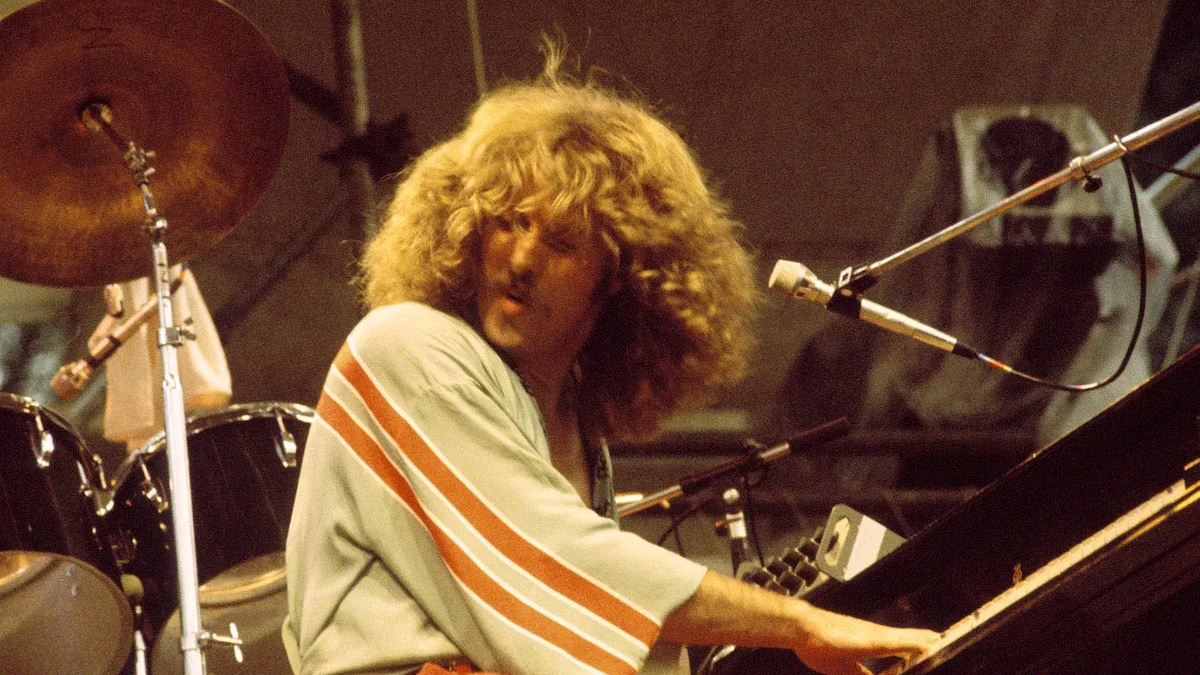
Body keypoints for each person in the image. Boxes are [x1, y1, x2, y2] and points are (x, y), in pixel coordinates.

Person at [283, 43, 938, 675]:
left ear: (620, 275)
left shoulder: (576, 426)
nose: (521, 258)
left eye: (562, 241)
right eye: (508, 221)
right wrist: (800, 623)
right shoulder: (406, 348)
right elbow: (562, 560)